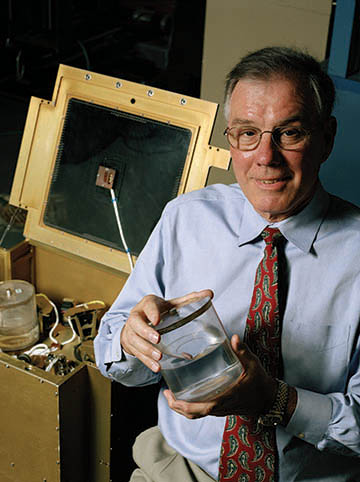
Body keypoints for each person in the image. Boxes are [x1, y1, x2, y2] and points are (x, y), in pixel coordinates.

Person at [94, 46, 360, 481]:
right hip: (182, 469)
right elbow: (113, 356)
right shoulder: (186, 218)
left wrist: (275, 400)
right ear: (230, 139)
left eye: (289, 133)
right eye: (247, 133)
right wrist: (131, 339)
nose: (265, 157)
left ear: (326, 137)